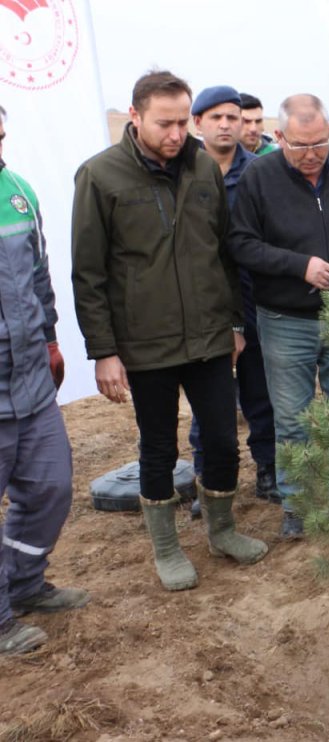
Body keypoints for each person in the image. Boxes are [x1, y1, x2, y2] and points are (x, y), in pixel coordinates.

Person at [71, 70, 267, 591]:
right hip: (145, 343)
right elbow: (88, 273)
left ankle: (222, 530)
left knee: (224, 442)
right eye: (165, 123)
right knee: (158, 448)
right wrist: (104, 352)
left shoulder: (203, 168)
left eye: (183, 122)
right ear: (135, 117)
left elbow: (223, 254)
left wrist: (232, 323)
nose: (177, 133)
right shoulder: (100, 176)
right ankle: (167, 548)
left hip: (208, 337)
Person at [228, 93, 329, 538]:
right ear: (278, 136)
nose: (313, 155)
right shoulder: (259, 177)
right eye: (301, 146)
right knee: (294, 418)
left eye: (320, 142)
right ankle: (298, 505)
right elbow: (241, 243)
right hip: (285, 319)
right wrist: (298, 265)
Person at [0, 105, 88, 655]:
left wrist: (52, 339)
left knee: (52, 488)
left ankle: (25, 585)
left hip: (31, 380)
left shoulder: (17, 191)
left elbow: (39, 275)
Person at [188, 85, 278, 515]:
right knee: (210, 398)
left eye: (233, 118)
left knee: (262, 392)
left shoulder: (261, 172)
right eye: (216, 118)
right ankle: (208, 479)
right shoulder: (182, 171)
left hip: (256, 297)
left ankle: (269, 470)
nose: (226, 125)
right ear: (198, 122)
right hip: (202, 302)